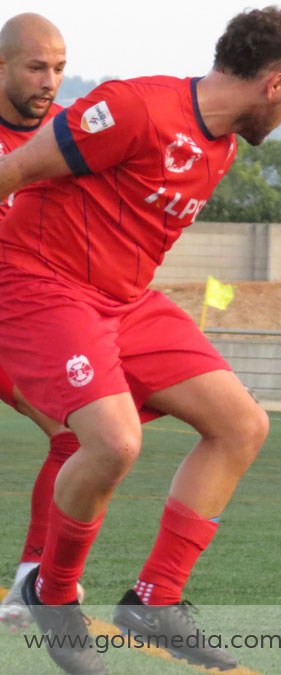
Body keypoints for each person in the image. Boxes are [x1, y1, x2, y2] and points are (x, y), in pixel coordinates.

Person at [0, 8, 281, 673]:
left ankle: (154, 598)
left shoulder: (224, 143)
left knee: (242, 425)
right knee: (113, 442)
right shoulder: (134, 108)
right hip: (42, 283)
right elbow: (18, 168)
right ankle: (51, 595)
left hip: (124, 299)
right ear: (275, 82)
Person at [0, 13, 81, 630]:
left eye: (57, 67)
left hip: (21, 322)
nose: (50, 80)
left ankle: (31, 579)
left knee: (80, 433)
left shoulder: (68, 134)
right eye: (35, 66)